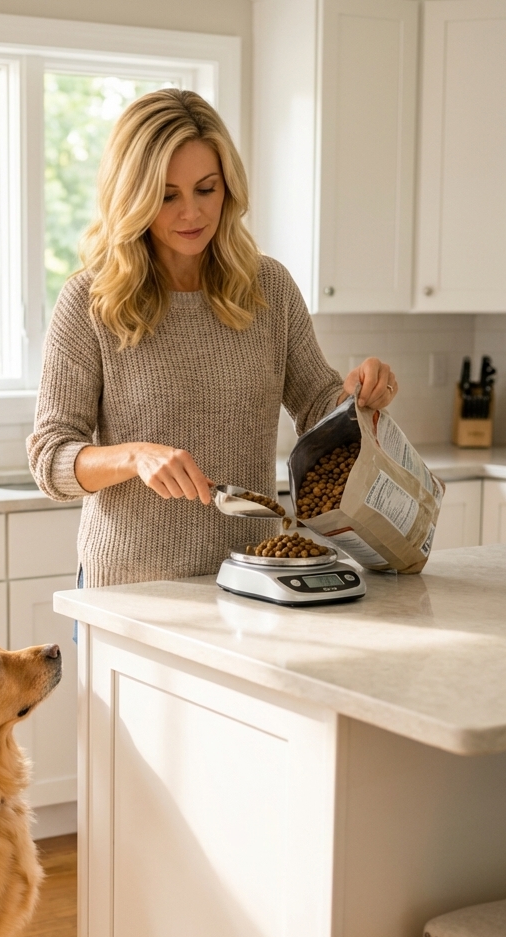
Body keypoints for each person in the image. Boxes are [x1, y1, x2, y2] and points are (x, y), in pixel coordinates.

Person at [27, 89, 398, 588]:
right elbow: (50, 459)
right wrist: (134, 457)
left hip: (257, 576)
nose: (191, 214)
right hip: (132, 588)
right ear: (132, 196)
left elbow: (318, 408)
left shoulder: (268, 287)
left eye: (206, 189)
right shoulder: (92, 300)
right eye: (166, 195)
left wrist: (362, 395)